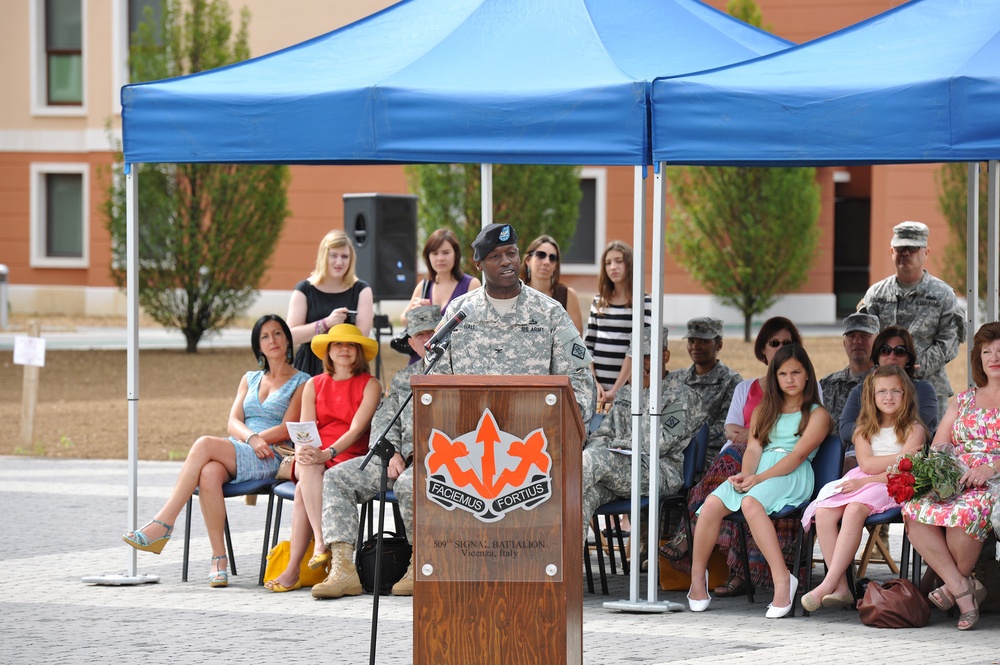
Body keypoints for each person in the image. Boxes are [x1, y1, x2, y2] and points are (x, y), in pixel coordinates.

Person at [122, 315, 309, 587]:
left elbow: (287, 428)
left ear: (288, 340)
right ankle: (218, 560)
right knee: (208, 472)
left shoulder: (302, 381)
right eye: (265, 336)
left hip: (271, 455)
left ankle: (163, 524)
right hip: (243, 446)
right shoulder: (249, 379)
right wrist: (251, 438)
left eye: (278, 333)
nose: (273, 340)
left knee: (204, 444)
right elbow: (232, 422)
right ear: (258, 346)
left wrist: (258, 440)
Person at [660, 317, 807, 598]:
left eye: (786, 343)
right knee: (731, 468)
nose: (780, 348)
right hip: (744, 456)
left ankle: (690, 534)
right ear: (763, 349)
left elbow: (765, 434)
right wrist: (751, 436)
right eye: (773, 343)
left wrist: (751, 434)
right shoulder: (747, 388)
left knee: (732, 470)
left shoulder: (805, 394)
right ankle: (727, 573)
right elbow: (731, 429)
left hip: (774, 463)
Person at [687, 344, 830, 618]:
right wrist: (746, 474)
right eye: (783, 374)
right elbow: (753, 449)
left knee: (752, 503)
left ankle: (783, 580)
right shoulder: (764, 410)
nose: (790, 379)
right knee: (712, 503)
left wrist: (758, 479)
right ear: (774, 377)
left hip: (792, 474)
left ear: (808, 375)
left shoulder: (817, 414)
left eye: (796, 373)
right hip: (759, 471)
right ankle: (697, 580)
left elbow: (799, 456)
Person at [310, 305, 441, 599]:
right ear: (411, 342)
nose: (428, 339)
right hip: (398, 462)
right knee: (337, 477)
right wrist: (389, 452)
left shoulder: (462, 375)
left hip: (443, 462)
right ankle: (344, 569)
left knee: (409, 483)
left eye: (434, 332)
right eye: (420, 335)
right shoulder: (403, 379)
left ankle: (422, 564)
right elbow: (384, 420)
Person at [265, 323, 381, 592]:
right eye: (337, 344)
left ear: (359, 352)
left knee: (302, 494)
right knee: (306, 465)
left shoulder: (370, 385)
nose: (344, 349)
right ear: (327, 351)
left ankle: (293, 570)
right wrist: (307, 450)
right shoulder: (313, 384)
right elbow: (305, 429)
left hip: (347, 454)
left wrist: (327, 453)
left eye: (351, 345)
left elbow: (357, 429)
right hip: (315, 452)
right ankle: (319, 541)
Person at [800, 365, 925, 612]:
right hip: (862, 478)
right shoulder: (864, 429)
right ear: (871, 396)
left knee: (856, 509)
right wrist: (901, 457)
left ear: (906, 394)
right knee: (824, 511)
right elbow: (867, 463)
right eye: (882, 392)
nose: (888, 397)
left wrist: (875, 475)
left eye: (895, 391)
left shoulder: (915, 428)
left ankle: (827, 584)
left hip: (892, 485)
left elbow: (906, 471)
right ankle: (844, 587)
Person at [903, 321, 1000, 631]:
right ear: (979, 358)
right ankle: (964, 589)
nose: (994, 357)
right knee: (915, 509)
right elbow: (941, 446)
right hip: (957, 477)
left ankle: (954, 590)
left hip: (991, 480)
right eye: (987, 351)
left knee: (965, 514)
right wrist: (946, 475)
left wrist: (991, 468)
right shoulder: (962, 400)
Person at [581, 327, 705, 550]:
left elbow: (657, 444)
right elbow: (602, 435)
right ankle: (561, 572)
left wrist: (615, 445)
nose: (640, 365)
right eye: (635, 358)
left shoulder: (682, 395)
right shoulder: (628, 392)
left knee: (593, 461)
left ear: (664, 356)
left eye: (646, 357)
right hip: (619, 471)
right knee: (581, 499)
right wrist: (611, 445)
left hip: (659, 472)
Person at [859, 221, 964, 422]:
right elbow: (865, 337)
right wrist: (887, 367)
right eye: (900, 248)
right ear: (892, 251)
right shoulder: (876, 294)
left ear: (926, 253)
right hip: (882, 389)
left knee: (929, 446)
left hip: (928, 386)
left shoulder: (943, 295)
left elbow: (948, 343)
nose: (905, 253)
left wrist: (912, 366)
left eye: (912, 248)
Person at [287, 229, 374, 376]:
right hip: (309, 366)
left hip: (348, 367)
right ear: (323, 257)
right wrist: (326, 323)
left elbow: (362, 337)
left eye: (345, 256)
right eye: (333, 255)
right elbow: (290, 336)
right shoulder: (304, 289)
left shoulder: (362, 290)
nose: (339, 262)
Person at [839, 325, 939, 446]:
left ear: (908, 358)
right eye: (885, 350)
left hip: (909, 457)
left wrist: (868, 428)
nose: (892, 357)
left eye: (900, 351)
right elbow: (845, 431)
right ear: (877, 356)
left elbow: (914, 425)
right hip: (865, 453)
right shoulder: (861, 390)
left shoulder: (923, 390)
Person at [663, 317, 742, 464]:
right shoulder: (676, 378)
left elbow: (727, 428)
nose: (695, 346)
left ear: (719, 345)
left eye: (703, 341)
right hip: (671, 449)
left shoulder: (732, 381)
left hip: (708, 453)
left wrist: (686, 438)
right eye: (691, 341)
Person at [584, 240, 651, 408]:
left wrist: (616, 390)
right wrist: (594, 384)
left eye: (619, 261)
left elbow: (636, 348)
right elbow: (589, 343)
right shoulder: (599, 301)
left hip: (626, 392)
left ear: (629, 264)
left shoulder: (644, 302)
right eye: (608, 263)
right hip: (597, 391)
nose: (613, 267)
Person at [401, 228, 481, 323]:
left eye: (446, 252)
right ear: (428, 257)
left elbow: (478, 322)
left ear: (456, 254)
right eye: (435, 253)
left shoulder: (471, 284)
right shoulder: (424, 286)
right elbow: (403, 320)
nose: (440, 258)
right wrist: (415, 312)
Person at [818, 313, 878, 427]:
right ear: (844, 343)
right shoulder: (827, 384)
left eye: (864, 335)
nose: (857, 341)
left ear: (877, 342)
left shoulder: (884, 383)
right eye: (851, 336)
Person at [520, 234, 583, 332]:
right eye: (541, 255)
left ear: (556, 265)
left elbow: (576, 342)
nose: (546, 262)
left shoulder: (567, 295)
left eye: (552, 258)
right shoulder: (515, 294)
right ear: (528, 260)